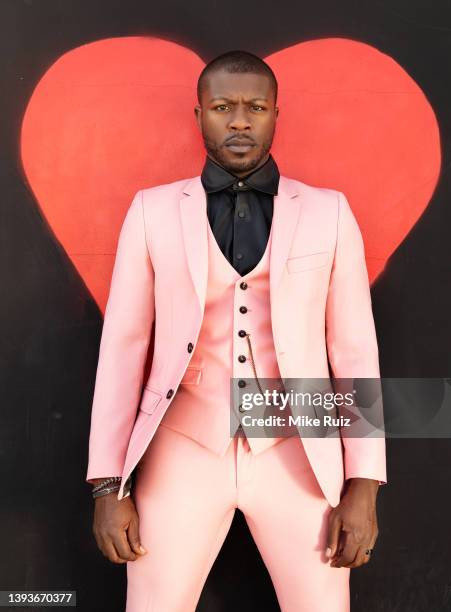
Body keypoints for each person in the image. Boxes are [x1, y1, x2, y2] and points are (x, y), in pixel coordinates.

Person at [86, 49, 387, 612]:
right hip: (182, 448)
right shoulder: (151, 212)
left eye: (256, 107)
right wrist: (108, 486)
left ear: (277, 114)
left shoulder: (331, 213)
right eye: (223, 106)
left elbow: (354, 351)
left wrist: (363, 483)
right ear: (198, 114)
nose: (241, 120)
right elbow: (123, 350)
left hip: (298, 452)